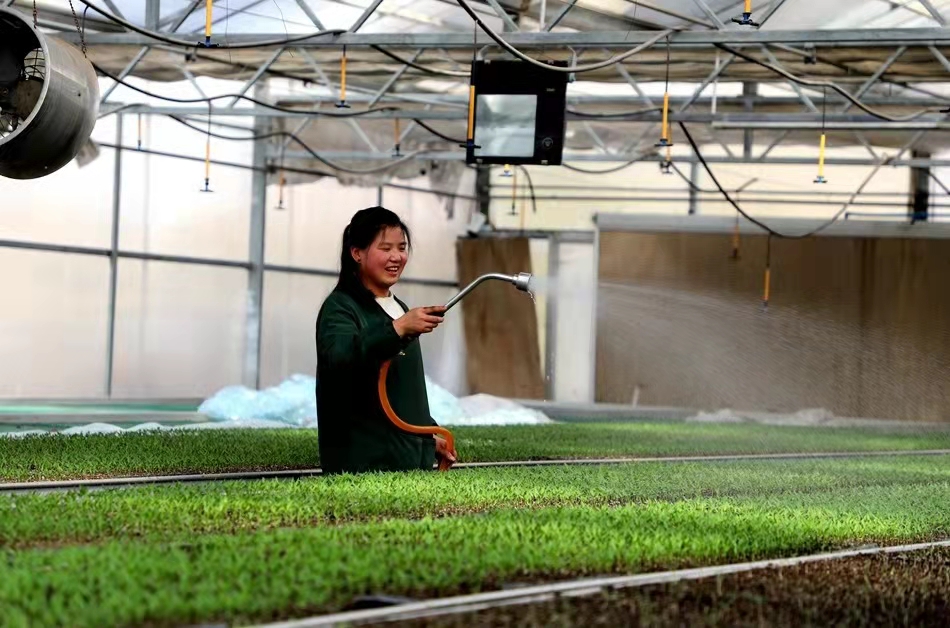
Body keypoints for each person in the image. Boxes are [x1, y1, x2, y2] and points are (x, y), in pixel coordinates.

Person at [315, 206, 457, 474]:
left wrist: (427, 439)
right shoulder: (341, 307)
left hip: (407, 463)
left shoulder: (399, 308)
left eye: (402, 248)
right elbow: (340, 360)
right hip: (362, 466)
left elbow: (403, 392)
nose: (396, 257)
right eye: (385, 248)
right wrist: (397, 329)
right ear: (357, 253)